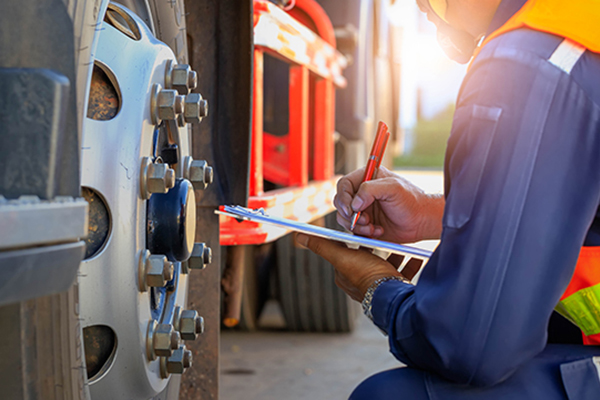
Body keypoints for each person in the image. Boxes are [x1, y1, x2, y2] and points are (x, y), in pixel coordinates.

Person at [296, 0, 600, 398]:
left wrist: (377, 289)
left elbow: (471, 347)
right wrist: (434, 213)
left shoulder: (535, 61)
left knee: (389, 397)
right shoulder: (576, 28)